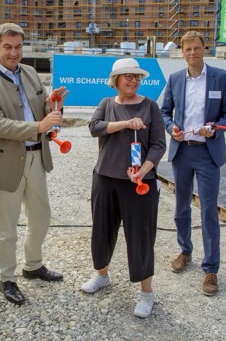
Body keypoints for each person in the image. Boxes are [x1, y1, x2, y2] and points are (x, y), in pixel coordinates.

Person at [0, 23, 68, 306]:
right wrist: (40, 124)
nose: (14, 53)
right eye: (7, 47)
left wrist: (54, 105)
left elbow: (43, 110)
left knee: (42, 216)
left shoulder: (30, 73)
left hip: (37, 155)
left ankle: (33, 264)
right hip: (6, 160)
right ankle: (7, 278)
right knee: (7, 227)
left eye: (18, 47)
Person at [81, 58, 166, 319]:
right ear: (115, 79)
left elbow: (158, 145)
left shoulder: (150, 106)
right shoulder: (107, 104)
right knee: (102, 229)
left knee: (141, 236)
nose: (133, 80)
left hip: (139, 182)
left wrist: (144, 170)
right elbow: (94, 128)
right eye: (127, 76)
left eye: (137, 76)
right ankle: (102, 275)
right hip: (105, 177)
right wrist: (126, 124)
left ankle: (146, 292)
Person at [160, 31, 226, 296]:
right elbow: (164, 112)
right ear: (181, 52)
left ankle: (211, 268)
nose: (192, 53)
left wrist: (214, 128)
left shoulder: (222, 78)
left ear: (205, 49)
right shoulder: (175, 79)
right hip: (182, 152)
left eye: (197, 48)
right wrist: (172, 129)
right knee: (181, 207)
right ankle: (185, 251)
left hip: (207, 154)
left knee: (207, 211)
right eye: (187, 49)